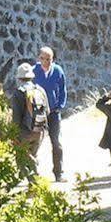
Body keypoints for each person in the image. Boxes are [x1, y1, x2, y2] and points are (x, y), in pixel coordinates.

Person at [34, 45, 67, 181]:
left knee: (56, 143)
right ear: (39, 58)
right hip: (39, 112)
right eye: (43, 59)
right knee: (34, 142)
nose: (46, 62)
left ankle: (58, 173)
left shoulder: (58, 71)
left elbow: (63, 89)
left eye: (49, 59)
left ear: (52, 59)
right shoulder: (34, 71)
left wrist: (60, 105)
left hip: (53, 112)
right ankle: (33, 175)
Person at [8, 61, 48, 172]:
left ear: (19, 78)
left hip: (24, 133)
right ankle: (34, 182)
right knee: (32, 155)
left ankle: (34, 180)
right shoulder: (40, 90)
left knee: (21, 158)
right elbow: (47, 111)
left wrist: (13, 134)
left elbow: (16, 117)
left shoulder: (18, 93)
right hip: (39, 131)